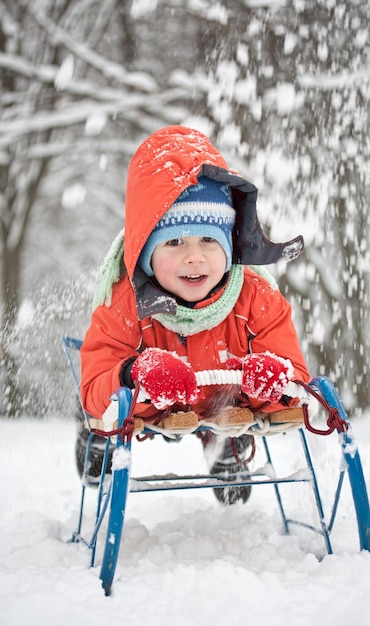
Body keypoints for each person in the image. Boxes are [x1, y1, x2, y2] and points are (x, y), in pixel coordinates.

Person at [79, 125, 310, 504]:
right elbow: (96, 388)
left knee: (230, 410)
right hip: (153, 402)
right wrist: (133, 374)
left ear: (229, 242)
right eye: (173, 242)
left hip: (224, 402)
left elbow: (297, 382)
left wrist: (275, 379)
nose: (194, 256)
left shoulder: (256, 296)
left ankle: (226, 446)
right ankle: (95, 444)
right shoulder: (125, 300)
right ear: (146, 253)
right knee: (101, 408)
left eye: (208, 240)